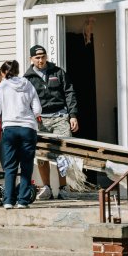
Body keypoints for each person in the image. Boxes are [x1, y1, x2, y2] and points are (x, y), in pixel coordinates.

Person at [23, 44, 80, 200]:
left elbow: (69, 93)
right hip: (39, 120)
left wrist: (73, 115)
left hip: (60, 117)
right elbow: (24, 101)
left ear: (46, 56)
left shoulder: (58, 72)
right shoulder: (27, 78)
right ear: (31, 59)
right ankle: (47, 187)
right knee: (42, 155)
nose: (40, 60)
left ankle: (63, 188)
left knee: (63, 153)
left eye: (43, 57)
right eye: (37, 58)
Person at [0, 59, 42, 209]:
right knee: (26, 166)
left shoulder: (2, 86)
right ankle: (23, 201)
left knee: (10, 167)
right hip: (28, 128)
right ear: (17, 71)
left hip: (10, 128)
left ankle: (8, 201)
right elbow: (37, 108)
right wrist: (35, 116)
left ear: (3, 73)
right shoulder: (27, 84)